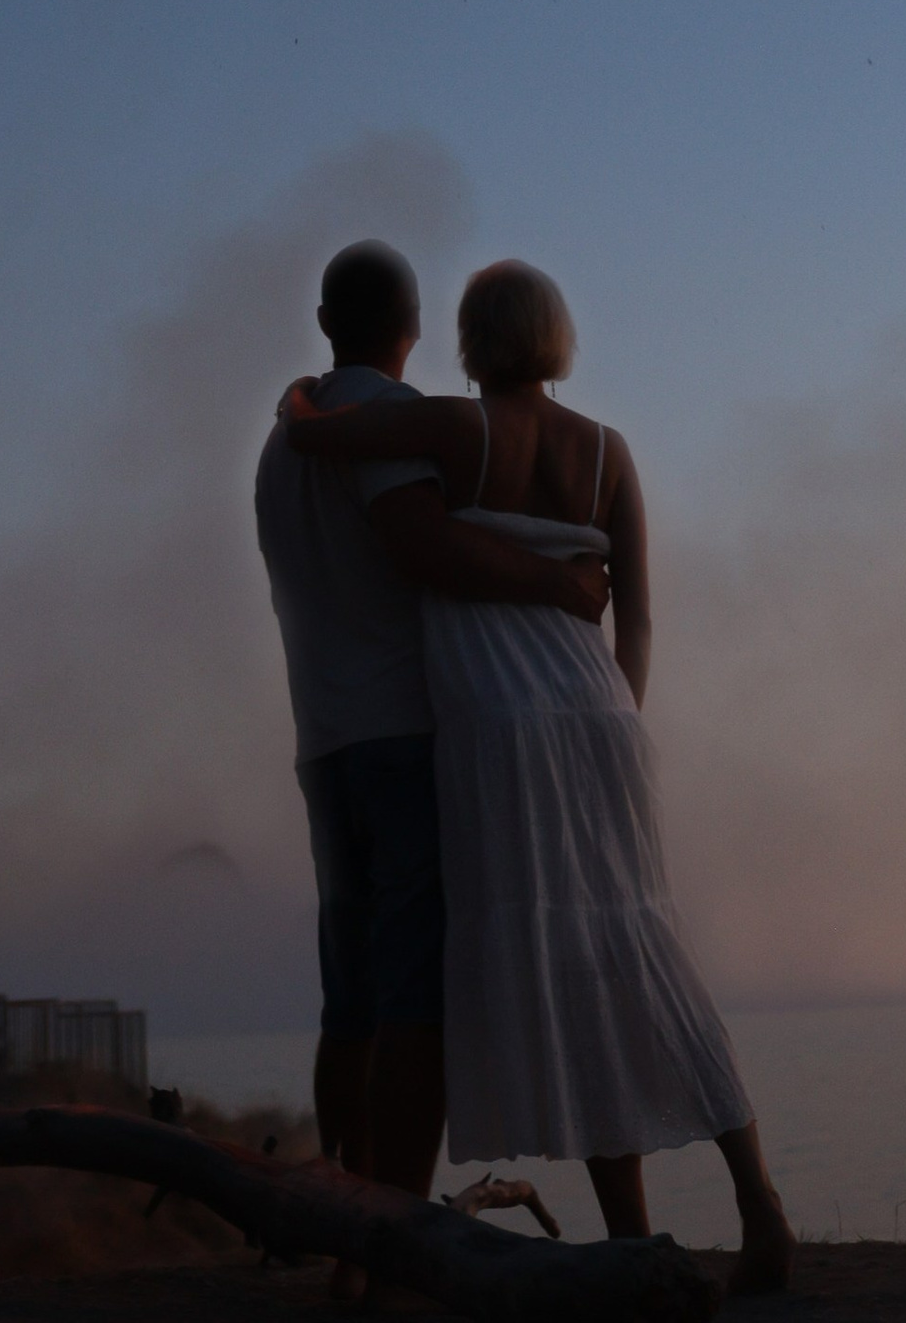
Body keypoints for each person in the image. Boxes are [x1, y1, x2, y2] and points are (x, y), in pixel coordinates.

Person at [282, 258, 793, 1294]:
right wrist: (621, 723)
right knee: (632, 947)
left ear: (470, 338)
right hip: (599, 712)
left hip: (495, 723)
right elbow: (638, 613)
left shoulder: (453, 432)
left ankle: (622, 1234)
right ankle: (754, 1201)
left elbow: (319, 433)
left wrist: (298, 394)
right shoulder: (608, 452)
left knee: (557, 957)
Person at [254, 239, 615, 1206]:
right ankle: (392, 1232)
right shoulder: (395, 419)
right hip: (402, 739)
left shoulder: (285, 434)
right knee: (415, 1001)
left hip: (323, 743)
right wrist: (561, 585)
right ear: (416, 329)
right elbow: (424, 544)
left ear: (328, 322)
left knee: (353, 1003)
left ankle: (345, 1231)